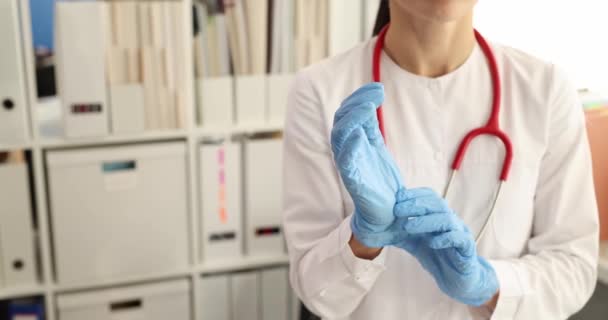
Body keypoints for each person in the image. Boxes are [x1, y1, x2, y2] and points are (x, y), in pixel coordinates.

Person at [282, 0, 599, 319]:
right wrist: (363, 239)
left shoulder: (546, 90)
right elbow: (316, 293)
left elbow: (573, 268)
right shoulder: (319, 90)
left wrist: (488, 284)